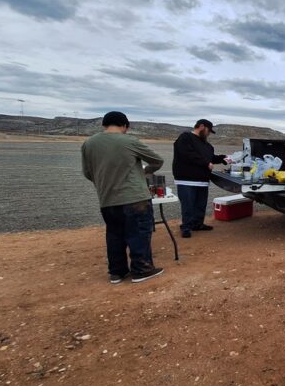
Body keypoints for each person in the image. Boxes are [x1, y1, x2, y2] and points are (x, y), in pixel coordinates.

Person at [81, 111, 165, 284]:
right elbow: (157, 160)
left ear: (105, 124)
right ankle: (142, 270)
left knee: (114, 235)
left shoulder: (88, 144)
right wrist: (143, 172)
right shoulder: (129, 141)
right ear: (125, 125)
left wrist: (105, 182)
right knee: (139, 233)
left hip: (107, 198)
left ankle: (117, 273)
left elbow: (88, 173)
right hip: (135, 197)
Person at [172, 119, 230, 238]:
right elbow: (187, 154)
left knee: (200, 204)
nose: (209, 134)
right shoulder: (185, 137)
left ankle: (198, 224)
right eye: (208, 131)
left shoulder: (207, 145)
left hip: (202, 181)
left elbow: (211, 157)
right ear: (202, 126)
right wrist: (206, 163)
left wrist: (223, 159)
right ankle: (186, 227)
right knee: (188, 205)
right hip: (186, 179)